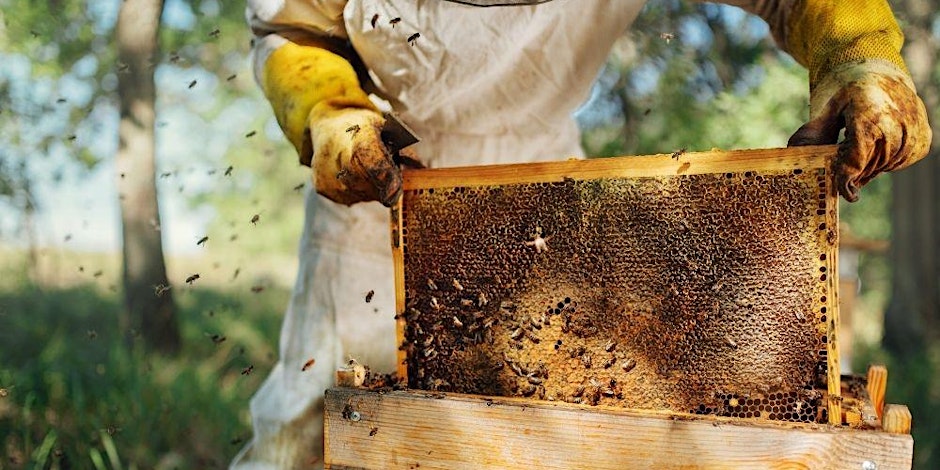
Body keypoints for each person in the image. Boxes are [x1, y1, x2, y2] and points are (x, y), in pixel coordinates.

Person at [232, 1, 931, 468]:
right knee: (318, 420)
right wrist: (326, 109)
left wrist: (858, 55)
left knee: (544, 423)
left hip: (544, 183)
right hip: (381, 167)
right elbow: (294, 26)